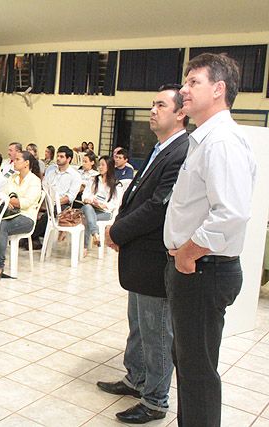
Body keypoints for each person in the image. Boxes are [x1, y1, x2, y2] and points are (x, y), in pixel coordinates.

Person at [164, 53, 256, 427]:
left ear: (219, 89)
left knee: (198, 372)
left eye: (193, 82)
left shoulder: (222, 141)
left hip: (203, 269)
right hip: (195, 269)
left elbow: (230, 213)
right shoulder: (203, 139)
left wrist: (187, 253)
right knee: (187, 364)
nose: (183, 90)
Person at [97, 84, 190, 424]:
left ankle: (155, 400)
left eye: (161, 105)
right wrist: (118, 223)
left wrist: (118, 230)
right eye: (152, 104)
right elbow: (136, 196)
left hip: (155, 256)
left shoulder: (181, 151)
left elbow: (158, 207)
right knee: (138, 323)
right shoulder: (160, 148)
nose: (152, 110)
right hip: (140, 254)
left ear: (181, 113)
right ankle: (136, 378)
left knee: (156, 332)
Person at [0, 151, 41, 282]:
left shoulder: (34, 180)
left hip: (27, 217)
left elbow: (26, 203)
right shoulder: (12, 178)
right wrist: (8, 200)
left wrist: (8, 201)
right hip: (9, 214)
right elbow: (1, 195)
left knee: (1, 226)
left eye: (18, 159)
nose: (14, 161)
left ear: (26, 163)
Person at [33, 146, 82, 248]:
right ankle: (34, 238)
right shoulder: (51, 169)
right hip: (45, 200)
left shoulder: (75, 175)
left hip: (62, 204)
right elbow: (44, 185)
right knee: (30, 208)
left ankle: (30, 236)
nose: (58, 158)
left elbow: (70, 197)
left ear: (68, 159)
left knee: (49, 214)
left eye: (61, 156)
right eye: (57, 156)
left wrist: (54, 202)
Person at [81, 156, 120, 255]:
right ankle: (95, 234)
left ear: (109, 166)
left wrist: (103, 205)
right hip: (91, 207)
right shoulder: (94, 179)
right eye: (99, 164)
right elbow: (85, 194)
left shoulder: (116, 184)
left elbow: (116, 202)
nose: (100, 167)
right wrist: (87, 199)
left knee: (87, 218)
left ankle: (85, 246)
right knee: (88, 208)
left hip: (105, 212)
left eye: (103, 165)